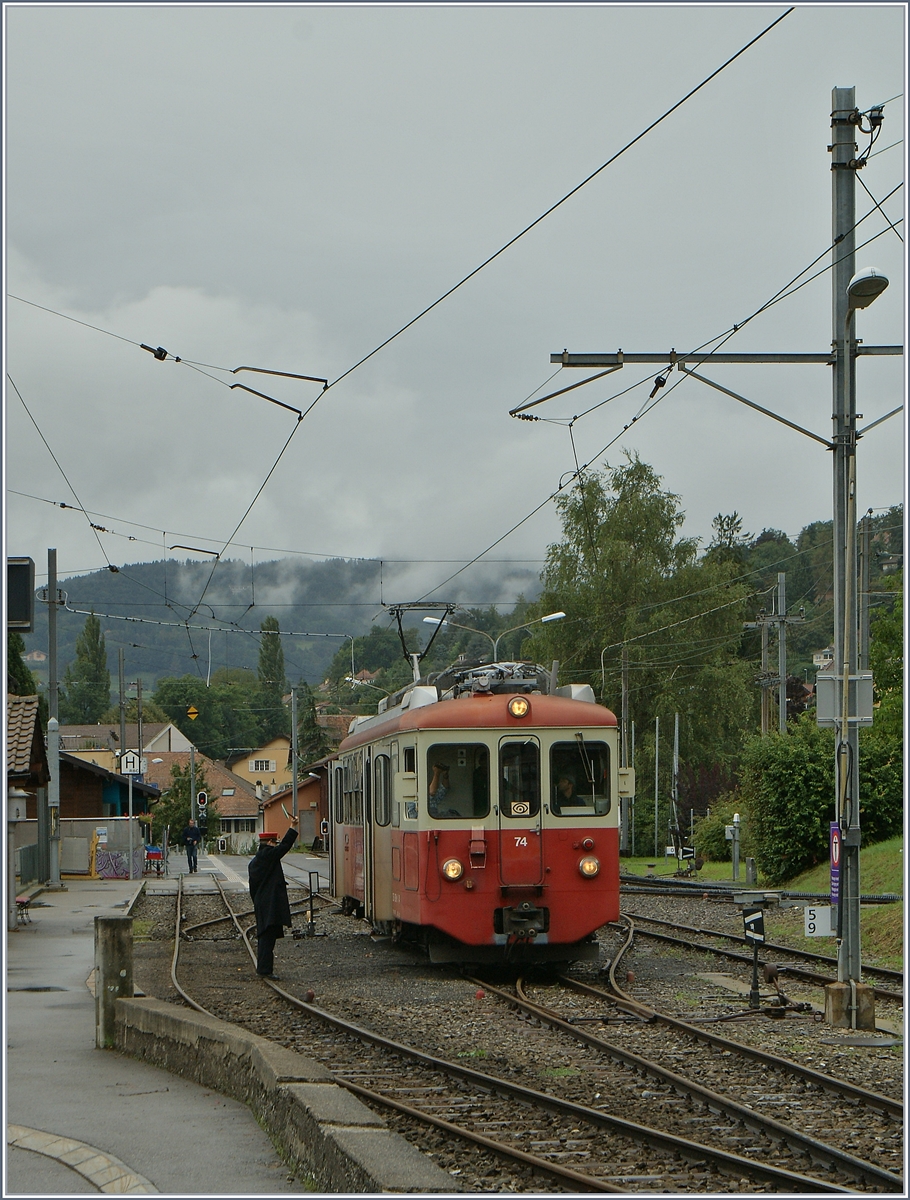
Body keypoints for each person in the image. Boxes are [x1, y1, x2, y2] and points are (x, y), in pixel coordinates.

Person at [248, 814, 299, 978]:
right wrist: (292, 826)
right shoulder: (268, 856)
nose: (276, 845)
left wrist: (256, 900)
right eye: (274, 842)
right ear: (269, 843)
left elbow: (252, 887)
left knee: (266, 936)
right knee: (267, 938)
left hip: (261, 902)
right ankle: (264, 970)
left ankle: (264, 968)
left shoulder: (255, 861)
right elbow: (284, 846)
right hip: (269, 903)